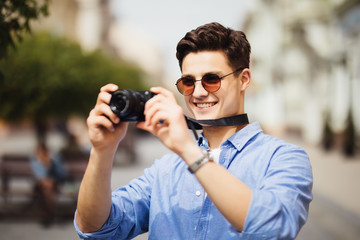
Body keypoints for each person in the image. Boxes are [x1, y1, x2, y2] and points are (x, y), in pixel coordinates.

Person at [74, 22, 313, 239]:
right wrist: (102, 150)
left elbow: (273, 229)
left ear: (244, 80)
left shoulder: (283, 158)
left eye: (211, 79)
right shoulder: (164, 171)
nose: (198, 93)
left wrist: (188, 150)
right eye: (188, 82)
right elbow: (96, 229)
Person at [30, 142, 66, 224]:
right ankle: (52, 214)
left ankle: (49, 215)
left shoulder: (55, 159)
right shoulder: (35, 160)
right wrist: (45, 165)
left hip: (54, 184)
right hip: (39, 185)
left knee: (47, 189)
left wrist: (51, 163)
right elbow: (40, 176)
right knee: (46, 187)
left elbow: (62, 174)